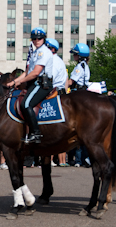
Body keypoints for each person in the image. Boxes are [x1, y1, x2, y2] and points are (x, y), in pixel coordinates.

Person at [7, 27, 53, 144]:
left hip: (42, 83)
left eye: (39, 38)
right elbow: (27, 72)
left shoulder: (44, 52)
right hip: (34, 83)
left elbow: (36, 72)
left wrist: (20, 82)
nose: (36, 41)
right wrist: (14, 82)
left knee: (26, 104)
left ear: (43, 39)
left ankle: (35, 133)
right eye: (34, 39)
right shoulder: (35, 52)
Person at [45, 38, 70, 167]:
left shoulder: (53, 61)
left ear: (52, 49)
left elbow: (50, 78)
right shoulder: (58, 60)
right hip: (60, 90)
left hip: (53, 90)